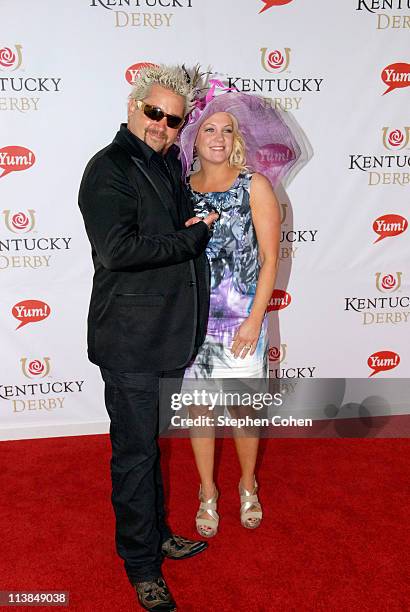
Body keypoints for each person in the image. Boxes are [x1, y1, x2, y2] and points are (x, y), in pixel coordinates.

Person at [78, 65, 218, 611]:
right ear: (134, 106)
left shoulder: (164, 166)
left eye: (174, 119)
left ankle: (156, 534)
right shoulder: (109, 169)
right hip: (130, 341)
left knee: (149, 450)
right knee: (135, 455)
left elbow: (168, 235)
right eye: (155, 113)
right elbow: (119, 250)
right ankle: (141, 565)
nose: (163, 125)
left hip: (166, 337)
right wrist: (190, 240)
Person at [178, 88, 307, 538]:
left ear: (237, 137)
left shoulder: (254, 185)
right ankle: (207, 493)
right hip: (194, 319)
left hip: (241, 319)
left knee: (243, 409)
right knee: (199, 410)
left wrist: (255, 320)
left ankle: (247, 484)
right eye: (208, 129)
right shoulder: (181, 189)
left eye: (226, 129)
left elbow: (271, 259)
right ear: (193, 138)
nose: (217, 137)